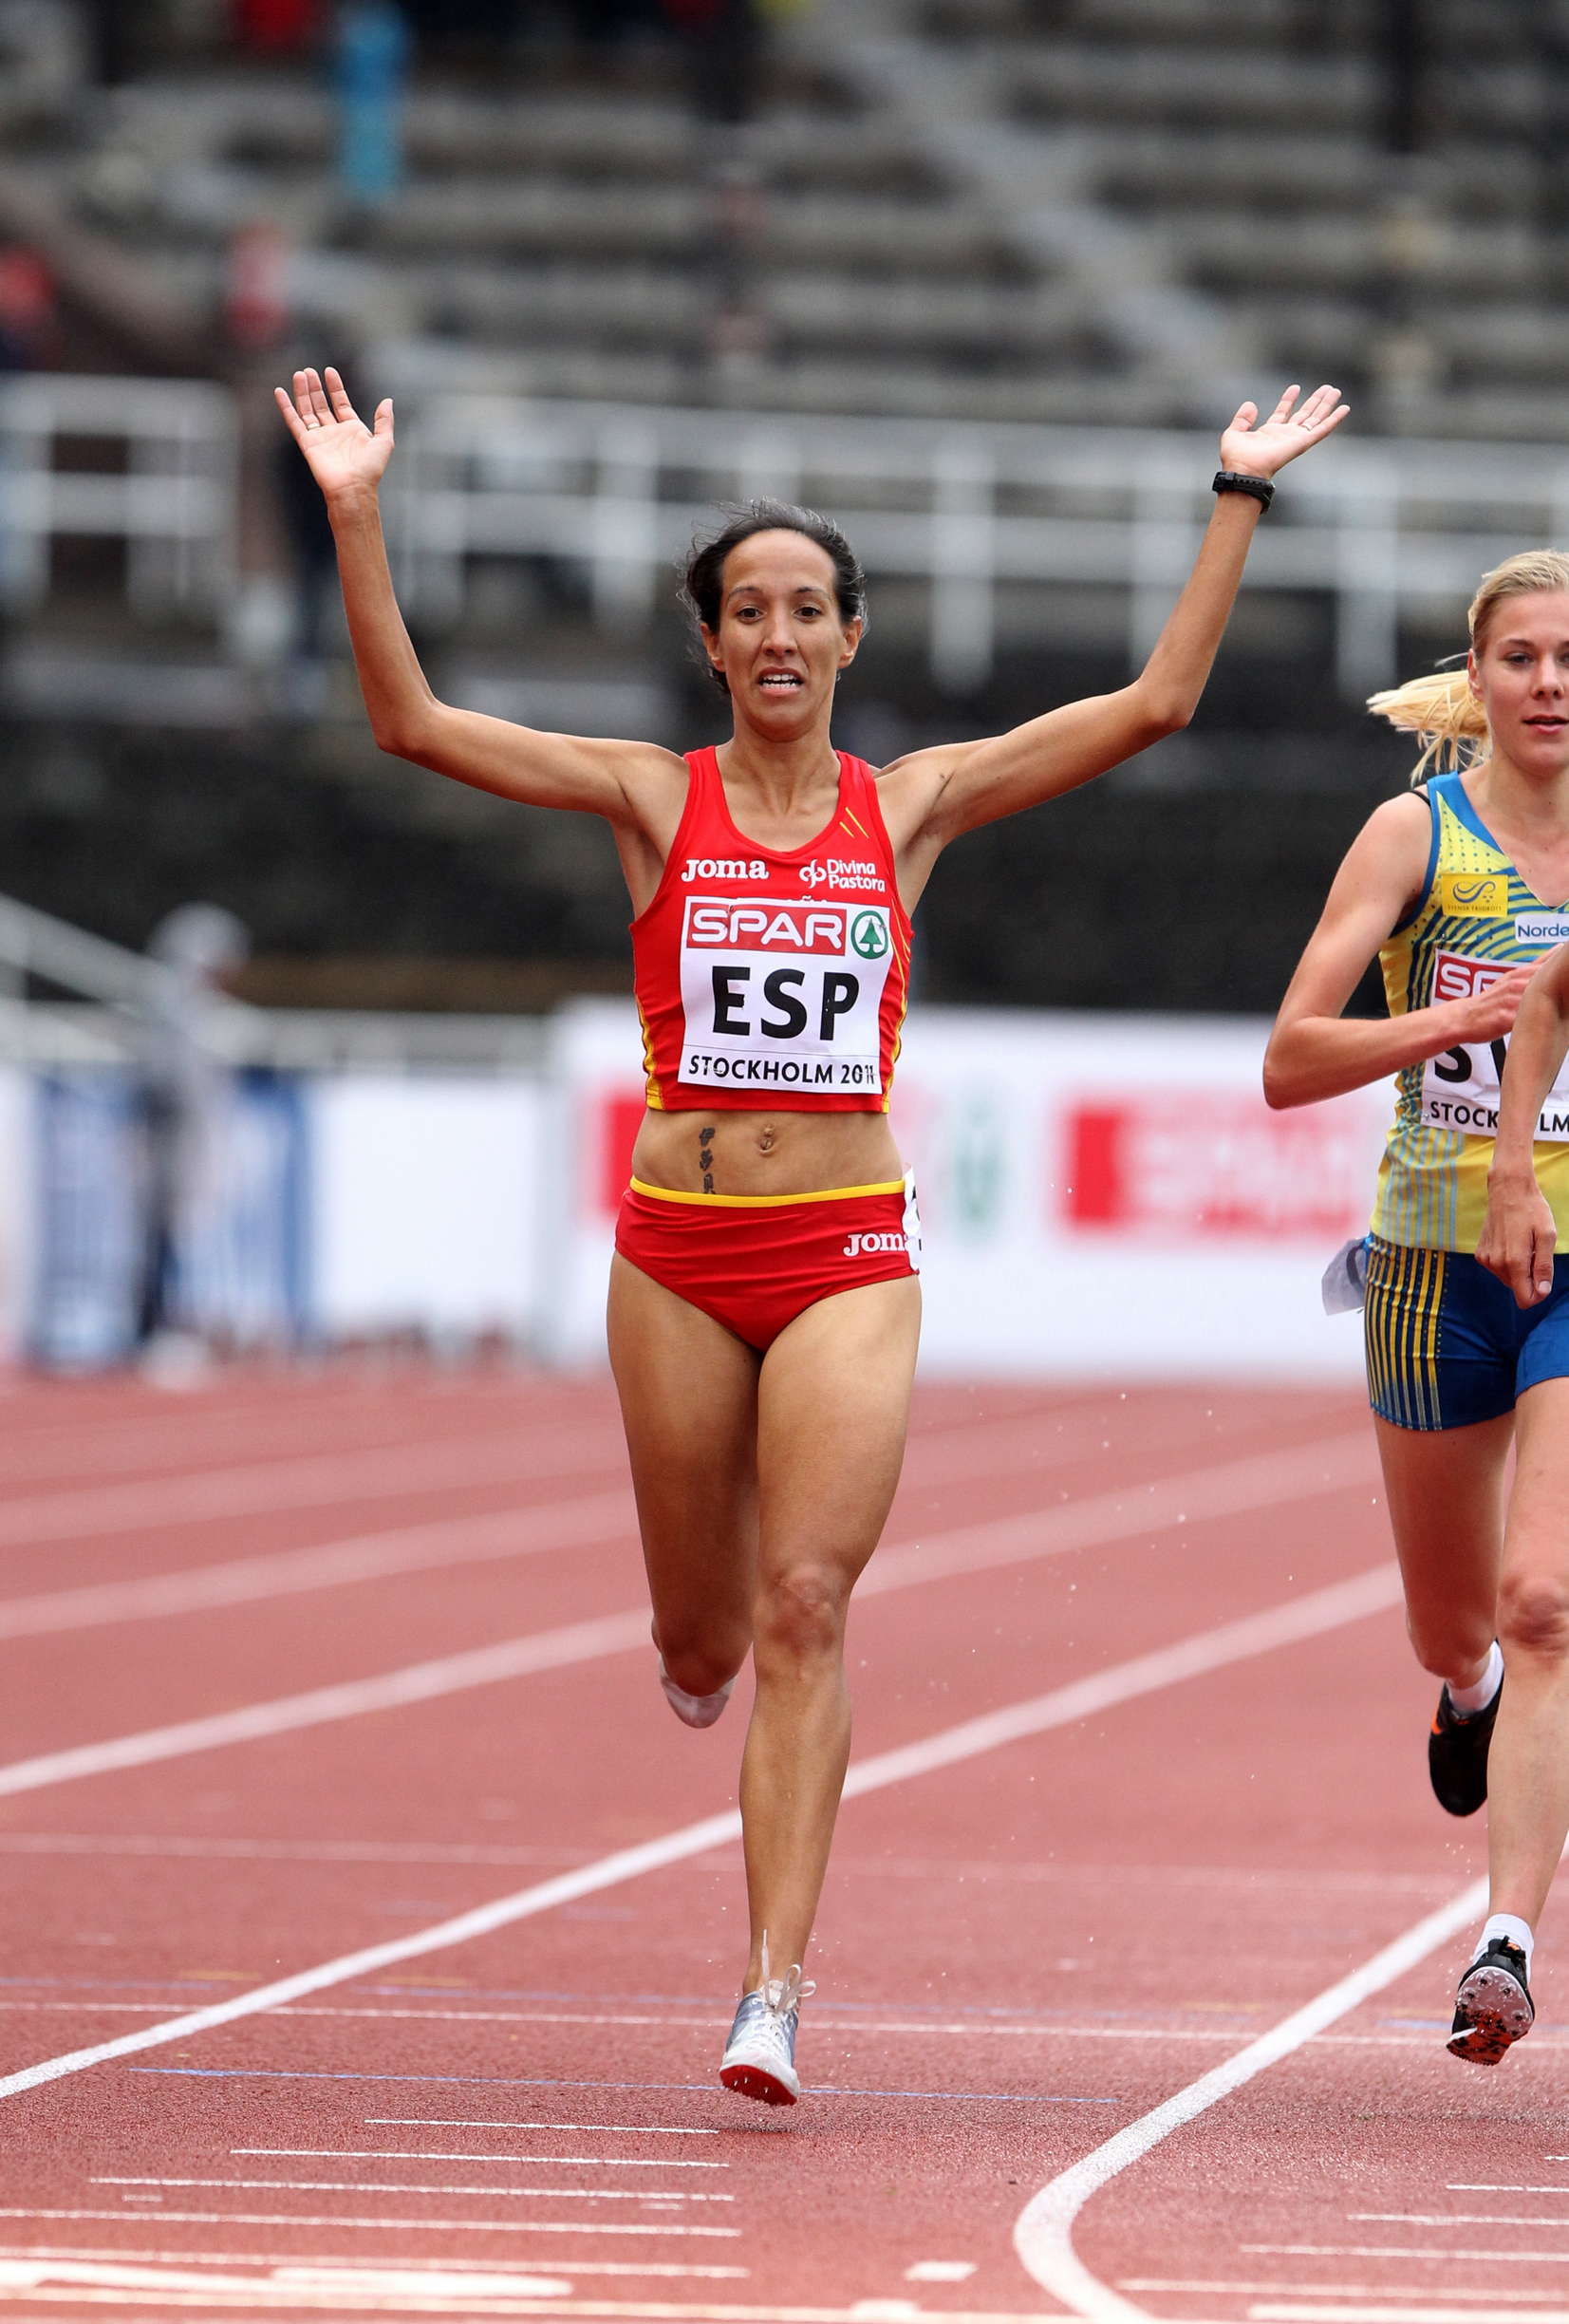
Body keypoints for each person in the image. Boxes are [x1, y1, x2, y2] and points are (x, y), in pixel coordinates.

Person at [276, 362, 1347, 2104]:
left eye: (805, 609)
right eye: (747, 611)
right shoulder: (650, 798)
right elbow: (411, 726)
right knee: (703, 1638)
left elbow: (1154, 702)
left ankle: (770, 1988)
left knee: (804, 1603)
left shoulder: (905, 805)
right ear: (712, 645)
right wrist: (353, 515)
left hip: (847, 1248)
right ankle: (690, 1660)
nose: (777, 634)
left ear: (851, 637)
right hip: (677, 1259)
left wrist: (1237, 493)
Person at [1264, 549, 1569, 2071]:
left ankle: (1504, 1940)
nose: (1550, 684)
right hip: (1431, 1264)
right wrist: (1449, 1016)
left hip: (1566, 1262)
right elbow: (1289, 1056)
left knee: (1546, 1598)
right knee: (1455, 1623)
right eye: (1521, 658)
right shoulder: (1415, 832)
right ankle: (1465, 1693)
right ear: (1477, 676)